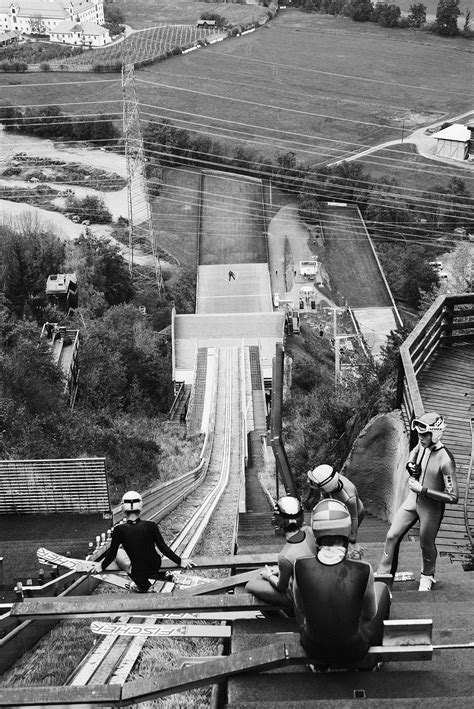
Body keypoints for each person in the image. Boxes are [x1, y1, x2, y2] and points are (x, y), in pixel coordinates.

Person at [292, 499, 391, 668]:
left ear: (316, 532)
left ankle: (317, 664)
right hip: (353, 649)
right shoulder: (363, 569)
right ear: (347, 531)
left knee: (302, 590)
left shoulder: (299, 565)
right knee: (382, 588)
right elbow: (369, 614)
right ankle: (373, 661)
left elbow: (301, 607)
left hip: (312, 647)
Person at [377, 412, 458, 592]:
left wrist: (424, 490)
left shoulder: (446, 460)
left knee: (425, 543)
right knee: (391, 535)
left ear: (435, 434)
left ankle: (427, 576)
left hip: (431, 507)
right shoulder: (422, 445)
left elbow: (453, 497)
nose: (420, 438)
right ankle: (383, 574)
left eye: (424, 434)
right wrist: (410, 464)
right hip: (412, 500)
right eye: (419, 434)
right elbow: (414, 451)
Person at [96, 490, 194, 593]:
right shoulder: (151, 525)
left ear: (123, 508)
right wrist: (180, 561)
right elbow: (163, 548)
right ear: (140, 507)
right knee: (145, 555)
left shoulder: (119, 529)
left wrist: (101, 566)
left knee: (119, 553)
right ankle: (161, 574)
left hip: (139, 571)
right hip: (155, 566)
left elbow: (112, 553)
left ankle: (145, 585)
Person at [245, 496, 317, 613]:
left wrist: (269, 576)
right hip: (313, 586)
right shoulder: (309, 531)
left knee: (251, 584)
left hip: (297, 595)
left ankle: (282, 618)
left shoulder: (284, 557)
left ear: (278, 520)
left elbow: (280, 587)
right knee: (268, 573)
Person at [305, 464, 365, 546]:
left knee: (344, 539)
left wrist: (352, 540)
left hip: (355, 513)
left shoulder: (349, 498)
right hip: (339, 506)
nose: (310, 483)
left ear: (326, 486)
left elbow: (354, 519)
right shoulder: (332, 481)